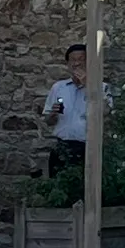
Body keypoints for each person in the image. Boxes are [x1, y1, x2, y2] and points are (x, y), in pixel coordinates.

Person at [44, 45, 91, 175]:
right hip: (62, 147)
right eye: (72, 60)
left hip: (88, 149)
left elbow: (106, 112)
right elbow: (48, 121)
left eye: (81, 59)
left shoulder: (100, 88)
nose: (76, 63)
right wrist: (52, 115)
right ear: (68, 64)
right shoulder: (58, 87)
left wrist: (88, 84)